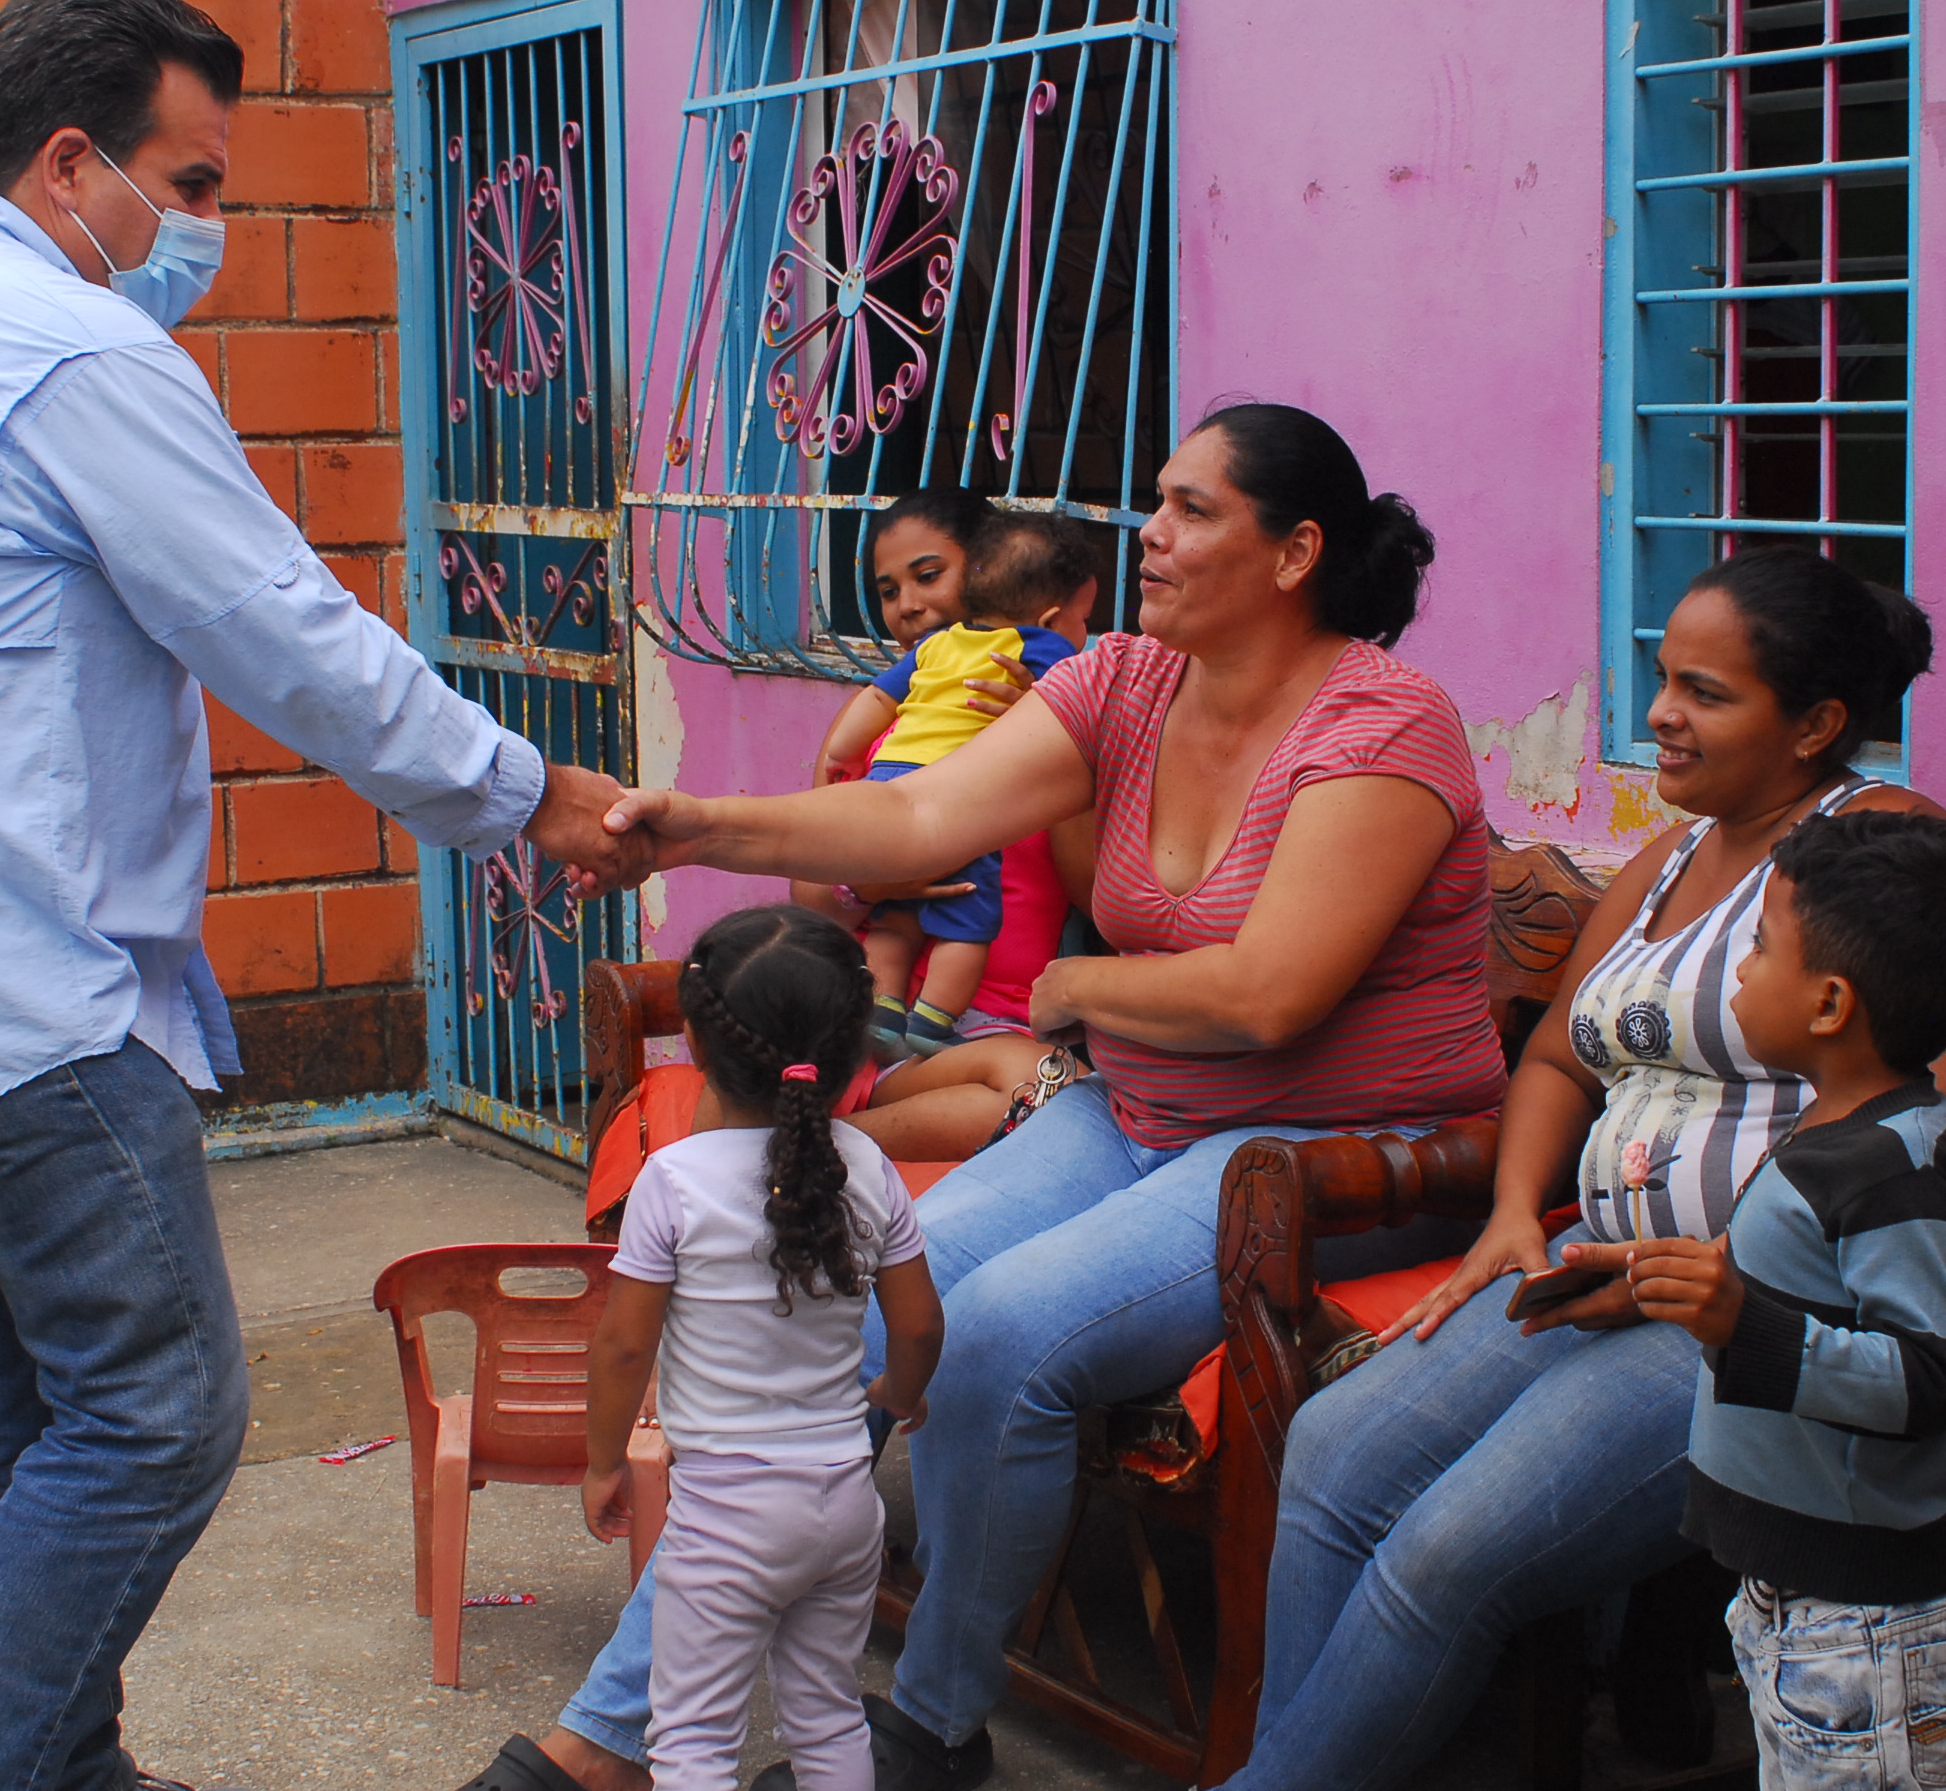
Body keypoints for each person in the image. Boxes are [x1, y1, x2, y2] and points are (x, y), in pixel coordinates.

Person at [0, 0, 626, 1791]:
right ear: (70, 166)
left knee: (23, 1407)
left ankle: (62, 1764)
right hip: (14, 1003)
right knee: (157, 1419)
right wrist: (530, 793)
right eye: (191, 188)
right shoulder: (67, 348)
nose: (207, 231)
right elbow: (279, 630)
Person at [457, 402, 1497, 1791]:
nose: (1154, 534)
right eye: (1158, 499)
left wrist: (1077, 992)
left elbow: (1271, 995)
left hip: (1323, 1155)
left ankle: (934, 1727)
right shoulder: (1127, 682)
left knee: (995, 1333)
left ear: (1298, 551)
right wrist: (695, 826)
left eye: (1193, 510)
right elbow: (915, 818)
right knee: (855, 1292)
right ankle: (614, 1731)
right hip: (1135, 1120)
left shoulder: (1384, 721)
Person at [1215, 550, 1946, 1791]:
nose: (1660, 713)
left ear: (1815, 724)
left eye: (1705, 692)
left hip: (1804, 1314)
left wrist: (1708, 1267)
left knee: (1449, 1550)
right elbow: (1556, 1053)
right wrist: (1508, 1217)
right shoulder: (1671, 858)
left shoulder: (1883, 849)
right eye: (1664, 679)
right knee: (1331, 1451)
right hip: (1612, 1272)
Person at [1611, 810, 1946, 1787]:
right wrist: (1656, 1279)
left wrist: (1740, 1320)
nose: (1738, 971)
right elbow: (1802, 1278)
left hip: (1863, 1620)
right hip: (1801, 1596)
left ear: (1828, 1003)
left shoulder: (1890, 1168)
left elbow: (1931, 1376)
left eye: (1757, 949)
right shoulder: (1841, 1133)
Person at [573, 907, 945, 1791]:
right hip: (847, 1509)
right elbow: (923, 1324)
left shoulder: (672, 1181)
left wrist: (600, 1463)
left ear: (697, 1049)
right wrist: (897, 1390)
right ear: (856, 1049)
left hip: (726, 1522)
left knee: (693, 1740)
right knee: (827, 1718)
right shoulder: (868, 1165)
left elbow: (624, 1349)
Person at [836, 520, 1096, 1058]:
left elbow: (1091, 890)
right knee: (962, 928)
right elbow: (812, 890)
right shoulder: (893, 724)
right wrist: (873, 885)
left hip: (1003, 1017)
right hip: (890, 998)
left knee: (1024, 1074)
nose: (908, 604)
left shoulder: (958, 671)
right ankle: (919, 1026)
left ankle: (890, 1027)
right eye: (887, 591)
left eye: (930, 575)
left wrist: (1055, 732)